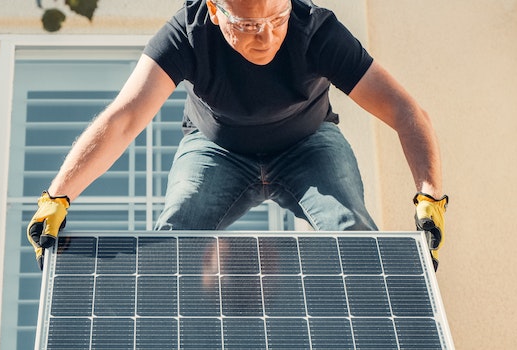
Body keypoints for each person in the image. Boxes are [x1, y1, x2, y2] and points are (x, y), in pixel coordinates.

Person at [26, 0, 449, 271]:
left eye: (277, 18)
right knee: (174, 237)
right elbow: (124, 118)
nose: (266, 36)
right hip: (215, 151)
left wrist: (430, 197)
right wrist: (58, 197)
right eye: (247, 25)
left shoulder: (318, 31)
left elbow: (404, 110)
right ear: (214, 11)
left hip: (309, 146)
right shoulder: (187, 33)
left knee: (352, 231)